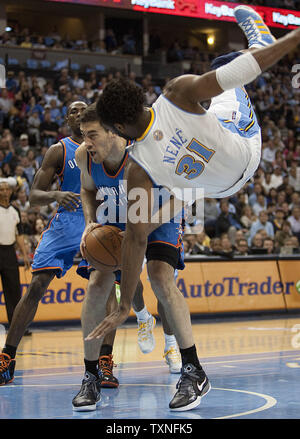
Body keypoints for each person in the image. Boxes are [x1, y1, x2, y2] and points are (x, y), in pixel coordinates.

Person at [89, 6, 300, 411]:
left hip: (233, 160)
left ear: (115, 128)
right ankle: (193, 369)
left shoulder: (139, 169)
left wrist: (124, 305)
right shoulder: (177, 91)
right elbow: (136, 239)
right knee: (225, 67)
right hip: (218, 175)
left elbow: (134, 242)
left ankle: (263, 40)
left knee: (228, 68)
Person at [72, 104, 183, 411]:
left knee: (161, 278)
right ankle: (90, 375)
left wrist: (145, 227)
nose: (86, 142)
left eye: (92, 135)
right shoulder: (84, 156)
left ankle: (176, 350)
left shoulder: (147, 153)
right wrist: (90, 222)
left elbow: (181, 192)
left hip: (159, 212)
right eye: (83, 135)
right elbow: (87, 189)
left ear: (114, 132)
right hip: (117, 215)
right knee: (98, 283)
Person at [0, 101, 87, 385]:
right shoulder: (58, 150)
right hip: (67, 220)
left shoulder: (105, 144)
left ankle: (102, 363)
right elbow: (35, 195)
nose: (78, 113)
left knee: (105, 286)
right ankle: (8, 357)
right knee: (36, 286)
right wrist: (56, 196)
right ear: (66, 119)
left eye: (83, 108)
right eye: (73, 110)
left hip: (97, 219)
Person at [0, 178, 30, 329]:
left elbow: (19, 235)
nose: (4, 192)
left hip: (10, 252)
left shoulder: (15, 210)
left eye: (7, 189)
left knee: (13, 291)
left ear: (11, 192)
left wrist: (25, 255)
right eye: (1, 189)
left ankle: (16, 326)